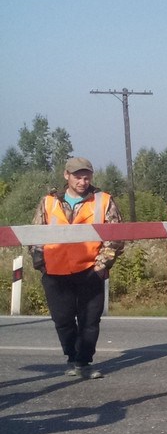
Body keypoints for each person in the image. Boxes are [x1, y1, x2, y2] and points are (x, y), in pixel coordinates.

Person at [30, 157, 124, 379]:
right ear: (66, 176)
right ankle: (72, 356)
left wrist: (101, 266)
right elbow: (34, 234)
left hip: (90, 270)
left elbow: (116, 236)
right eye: (78, 177)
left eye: (86, 177)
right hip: (54, 271)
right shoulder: (49, 202)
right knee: (63, 320)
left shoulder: (103, 200)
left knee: (90, 321)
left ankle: (83, 362)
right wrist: (40, 262)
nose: (83, 181)